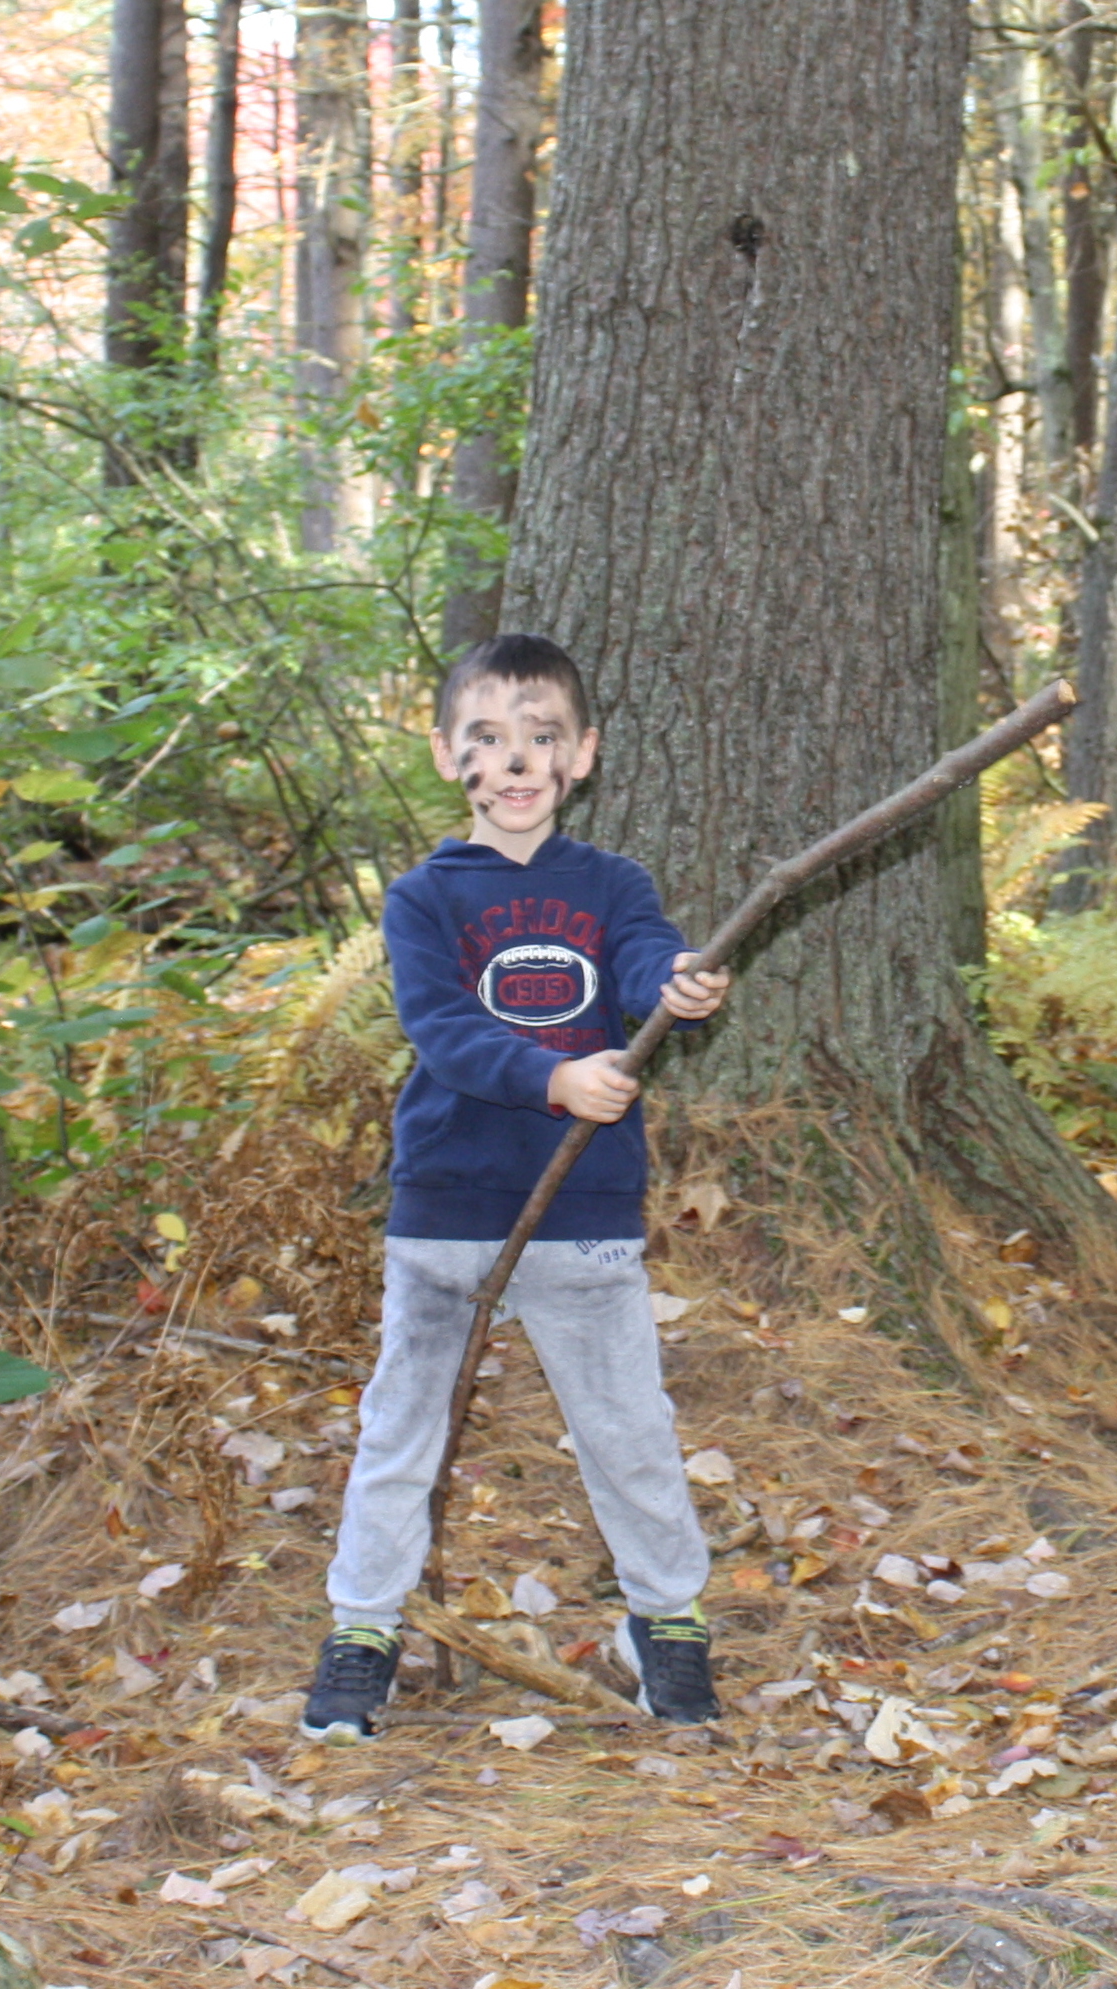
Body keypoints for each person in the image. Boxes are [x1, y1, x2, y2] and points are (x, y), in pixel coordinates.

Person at [303, 631, 734, 1738]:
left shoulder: (613, 884)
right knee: (402, 1425)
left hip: (580, 1212)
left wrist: (677, 984)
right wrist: (554, 1077)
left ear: (581, 754)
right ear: (447, 753)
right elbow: (442, 1029)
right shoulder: (423, 898)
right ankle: (363, 1627)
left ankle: (668, 1622)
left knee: (626, 1424)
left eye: (541, 737)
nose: (515, 760)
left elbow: (643, 957)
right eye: (487, 737)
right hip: (447, 1209)